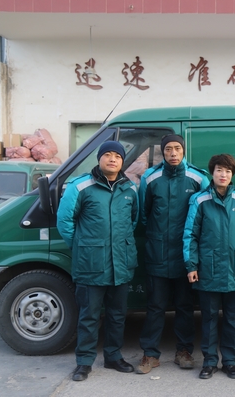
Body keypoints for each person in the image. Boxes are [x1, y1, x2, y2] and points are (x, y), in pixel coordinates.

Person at [56, 141, 139, 382]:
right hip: (90, 264)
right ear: (99, 158)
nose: (112, 159)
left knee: (117, 315)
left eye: (117, 156)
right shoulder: (81, 186)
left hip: (120, 263)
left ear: (122, 161)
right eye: (108, 155)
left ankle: (113, 357)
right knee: (89, 316)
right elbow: (65, 221)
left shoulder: (130, 189)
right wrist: (83, 246)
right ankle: (84, 362)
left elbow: (133, 221)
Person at [136, 134, 209, 375]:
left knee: (185, 306)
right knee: (155, 306)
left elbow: (205, 214)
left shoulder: (198, 178)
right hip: (157, 253)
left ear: (183, 150)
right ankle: (150, 354)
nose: (173, 153)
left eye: (177, 148)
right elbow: (144, 214)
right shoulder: (150, 178)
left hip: (185, 256)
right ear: (162, 152)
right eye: (168, 149)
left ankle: (184, 351)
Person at [183, 153, 235, 380]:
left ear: (232, 174)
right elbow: (190, 235)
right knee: (209, 318)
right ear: (212, 173)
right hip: (208, 268)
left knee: (232, 318)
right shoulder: (199, 200)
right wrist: (191, 265)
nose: (223, 174)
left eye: (227, 171)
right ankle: (209, 362)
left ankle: (230, 362)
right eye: (219, 170)